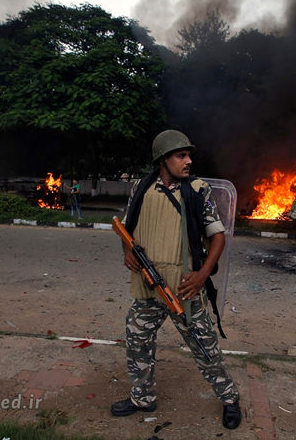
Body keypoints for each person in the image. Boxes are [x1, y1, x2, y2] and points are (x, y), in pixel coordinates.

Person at [110, 130, 241, 430]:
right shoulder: (141, 187)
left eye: (188, 155)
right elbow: (126, 228)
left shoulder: (197, 189)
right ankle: (142, 398)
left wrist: (202, 274)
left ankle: (230, 399)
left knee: (204, 348)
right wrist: (127, 252)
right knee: (137, 339)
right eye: (181, 155)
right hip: (148, 284)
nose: (188, 161)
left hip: (184, 287)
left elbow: (218, 237)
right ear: (163, 160)